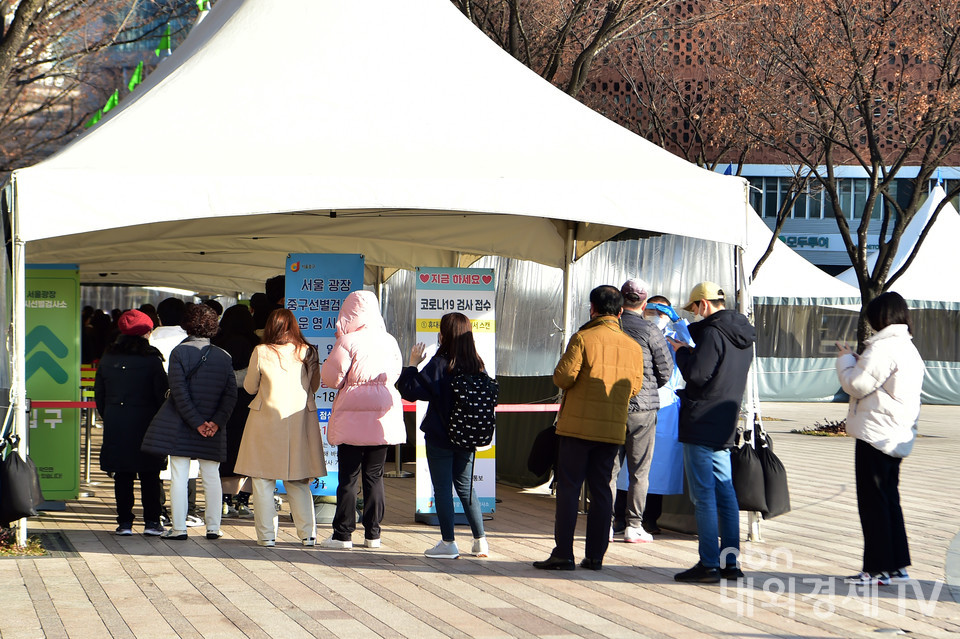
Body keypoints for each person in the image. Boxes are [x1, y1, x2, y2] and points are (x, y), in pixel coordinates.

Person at [533, 285, 644, 571]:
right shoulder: (633, 347)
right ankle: (595, 556)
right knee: (603, 492)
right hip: (611, 431)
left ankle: (563, 554)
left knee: (569, 490)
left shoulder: (583, 337)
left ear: (592, 308)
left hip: (576, 431)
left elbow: (562, 378)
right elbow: (635, 387)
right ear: (620, 312)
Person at [667, 281, 755, 583]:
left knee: (704, 496)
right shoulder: (743, 334)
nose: (693, 315)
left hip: (701, 420)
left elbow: (697, 374)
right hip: (725, 421)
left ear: (703, 304)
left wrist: (681, 352)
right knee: (726, 494)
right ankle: (731, 563)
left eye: (693, 308)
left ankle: (708, 564)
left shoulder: (712, 333)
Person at [836, 291, 923, 585]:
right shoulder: (908, 347)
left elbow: (856, 385)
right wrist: (861, 362)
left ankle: (876, 569)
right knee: (889, 499)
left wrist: (846, 360)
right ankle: (897, 566)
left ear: (880, 317)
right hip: (896, 433)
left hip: (875, 433)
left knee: (873, 502)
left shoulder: (883, 348)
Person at [397, 312, 491, 559]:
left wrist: (412, 363)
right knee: (466, 487)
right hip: (468, 436)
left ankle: (448, 542)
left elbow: (410, 390)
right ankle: (480, 540)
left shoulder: (440, 363)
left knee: (442, 488)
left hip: (441, 437)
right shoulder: (477, 364)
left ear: (443, 335)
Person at [141, 304, 237, 540]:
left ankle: (179, 528)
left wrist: (196, 422)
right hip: (213, 428)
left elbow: (179, 392)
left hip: (182, 423)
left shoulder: (179, 353)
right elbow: (230, 394)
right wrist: (214, 422)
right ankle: (213, 527)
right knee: (211, 475)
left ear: (187, 325)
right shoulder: (224, 356)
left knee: (180, 475)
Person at [320, 290, 405, 550]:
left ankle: (343, 535)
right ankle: (373, 535)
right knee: (375, 476)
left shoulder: (348, 341)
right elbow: (396, 373)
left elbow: (331, 379)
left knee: (348, 477)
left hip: (352, 414)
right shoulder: (389, 340)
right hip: (382, 414)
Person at [235, 308, 327, 547]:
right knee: (297, 480)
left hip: (265, 421)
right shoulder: (309, 352)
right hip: (299, 423)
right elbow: (314, 387)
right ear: (294, 326)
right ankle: (308, 534)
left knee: (263, 481)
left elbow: (249, 387)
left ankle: (267, 536)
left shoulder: (261, 351)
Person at [94, 310, 168, 536]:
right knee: (150, 474)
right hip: (148, 423)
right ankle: (152, 522)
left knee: (123, 474)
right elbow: (161, 395)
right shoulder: (152, 360)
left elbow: (100, 395)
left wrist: (110, 415)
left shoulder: (108, 358)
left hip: (117, 421)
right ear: (146, 332)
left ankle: (124, 522)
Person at [611, 279, 673, 544]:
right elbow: (665, 372)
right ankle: (634, 526)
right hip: (643, 410)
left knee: (608, 471)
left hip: (610, 407)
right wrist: (646, 387)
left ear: (621, 301)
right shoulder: (651, 331)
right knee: (640, 471)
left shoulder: (609, 326)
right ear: (645, 304)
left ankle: (607, 523)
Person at [212, 304, 260, 519]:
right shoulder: (256, 344)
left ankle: (223, 501)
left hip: (222, 403)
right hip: (250, 404)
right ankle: (243, 502)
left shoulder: (217, 344)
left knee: (225, 451)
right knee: (248, 451)